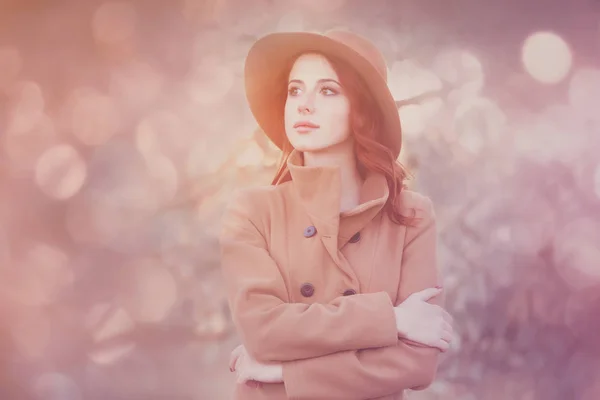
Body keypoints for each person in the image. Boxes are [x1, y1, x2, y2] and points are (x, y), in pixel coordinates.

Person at [219, 28, 453, 400]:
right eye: (295, 89)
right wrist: (391, 319)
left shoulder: (410, 215)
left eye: (327, 90)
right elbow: (263, 332)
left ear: (361, 108)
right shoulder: (252, 211)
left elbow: (417, 363)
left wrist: (283, 372)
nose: (304, 104)